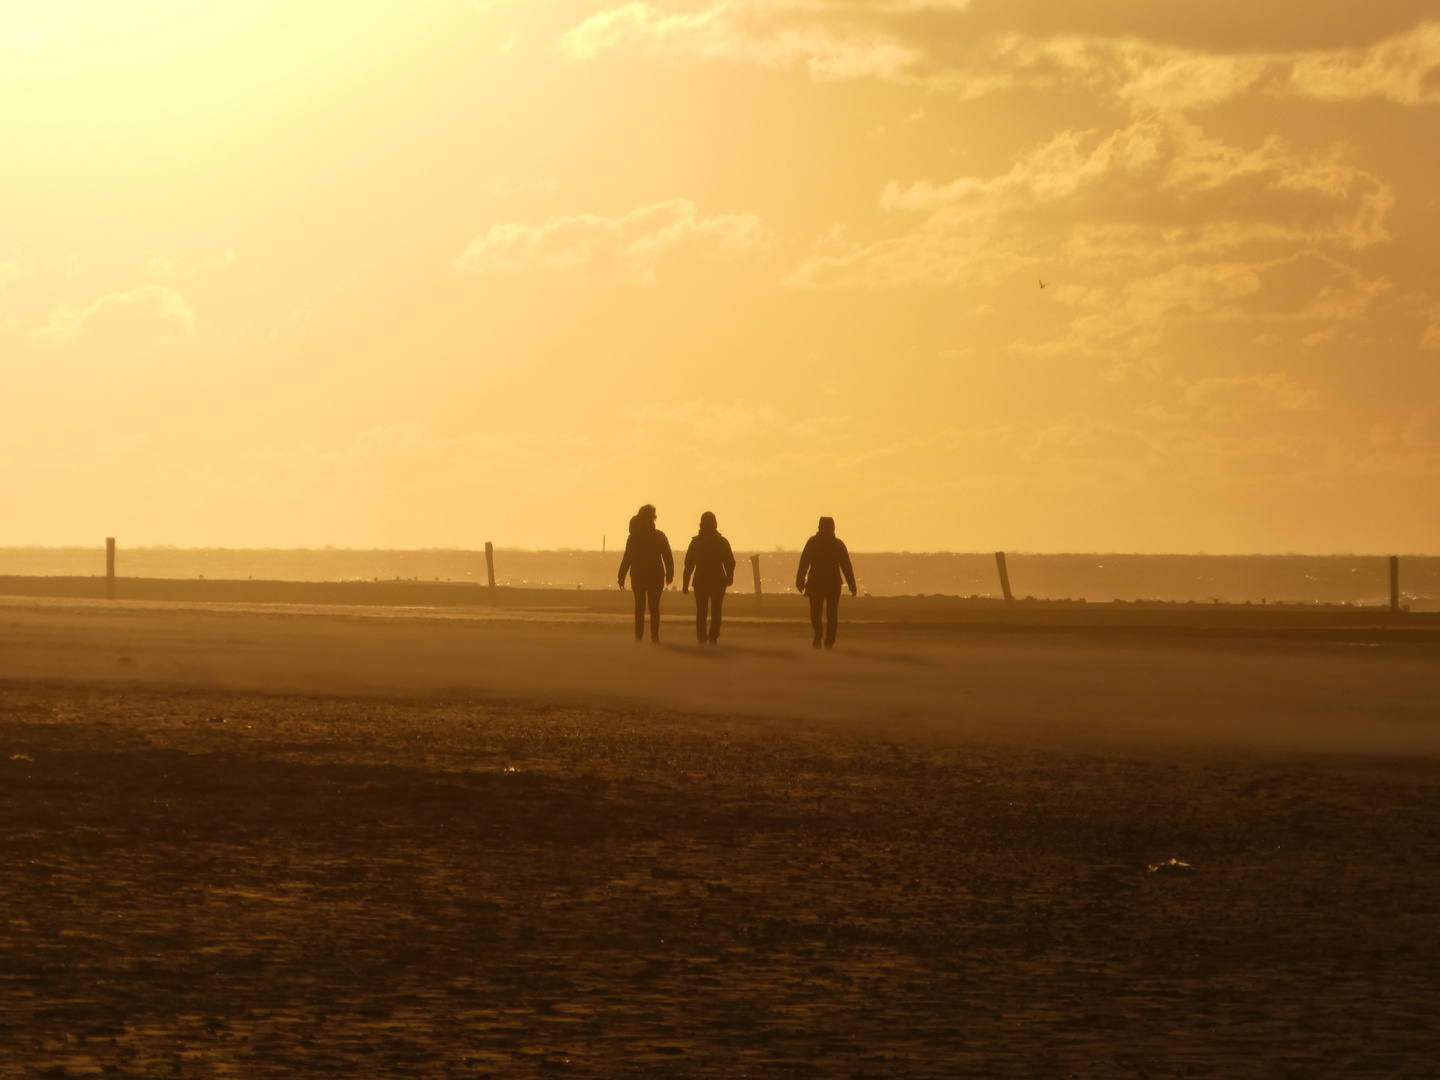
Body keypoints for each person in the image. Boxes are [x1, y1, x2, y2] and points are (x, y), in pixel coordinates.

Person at [795, 516, 856, 649]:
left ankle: (823, 637)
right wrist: (852, 584)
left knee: (820, 613)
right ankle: (825, 639)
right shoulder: (835, 544)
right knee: (828, 613)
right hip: (827, 583)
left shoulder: (816, 542)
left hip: (822, 583)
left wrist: (800, 580)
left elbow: (804, 563)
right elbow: (846, 566)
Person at [617, 504, 673, 642]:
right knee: (654, 607)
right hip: (656, 575)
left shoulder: (634, 537)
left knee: (639, 607)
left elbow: (627, 557)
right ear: (653, 518)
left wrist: (621, 575)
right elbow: (667, 556)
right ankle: (654, 635)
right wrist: (670, 573)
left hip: (638, 575)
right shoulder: (659, 536)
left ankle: (639, 636)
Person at [682, 511, 736, 645]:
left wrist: (685, 583)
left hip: (701, 580)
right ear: (715, 525)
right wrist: (729, 577)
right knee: (716, 610)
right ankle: (713, 637)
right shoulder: (722, 542)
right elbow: (730, 562)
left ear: (701, 525)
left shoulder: (696, 542)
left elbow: (689, 564)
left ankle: (702, 638)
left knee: (702, 610)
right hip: (718, 580)